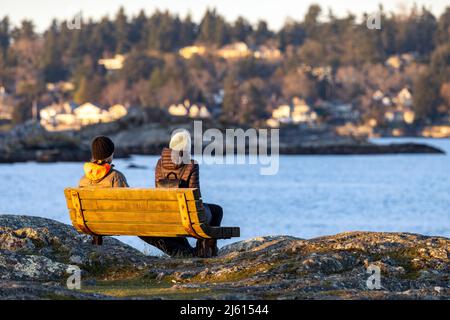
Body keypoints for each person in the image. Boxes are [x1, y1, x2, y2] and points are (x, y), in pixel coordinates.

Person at [139, 130, 223, 258]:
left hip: (166, 214)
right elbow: (195, 194)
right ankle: (206, 249)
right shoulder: (191, 164)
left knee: (211, 209)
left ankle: (194, 251)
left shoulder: (159, 163)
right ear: (187, 146)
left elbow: (159, 191)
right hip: (187, 215)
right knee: (217, 210)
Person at [78, 136, 128, 245]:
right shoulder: (116, 176)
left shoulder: (83, 180)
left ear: (93, 154)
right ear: (110, 155)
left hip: (88, 223)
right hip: (111, 223)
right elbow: (127, 205)